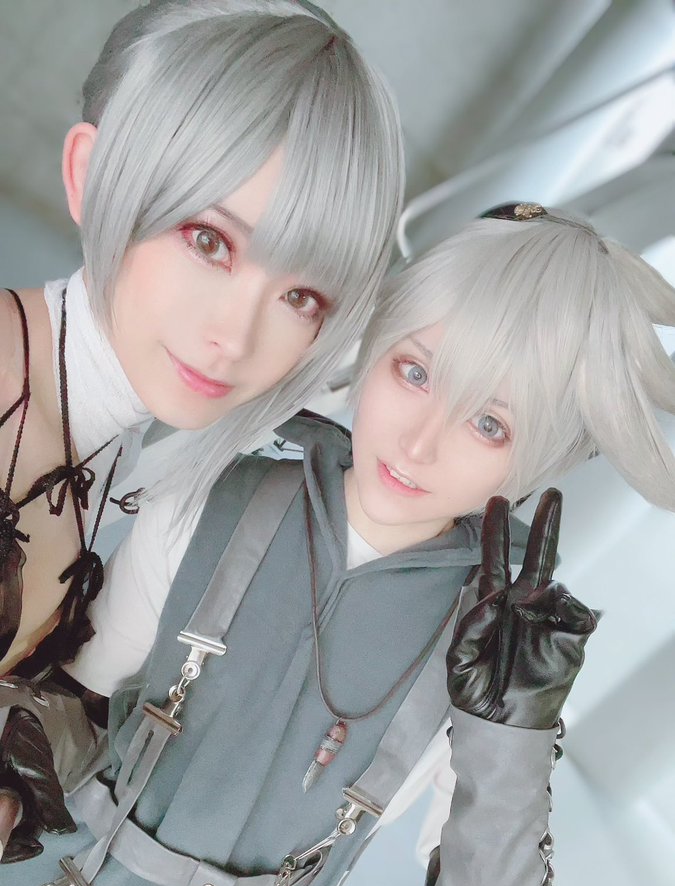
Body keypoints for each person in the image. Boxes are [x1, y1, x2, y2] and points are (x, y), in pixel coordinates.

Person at [1, 205, 674, 886]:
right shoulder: (216, 485)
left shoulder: (492, 657)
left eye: (491, 424)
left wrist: (510, 737)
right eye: (415, 371)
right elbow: (77, 705)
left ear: (545, 458)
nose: (424, 439)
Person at [0, 0, 403, 677]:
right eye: (209, 241)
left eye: (300, 296)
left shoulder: (118, 452)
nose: (236, 337)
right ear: (91, 177)